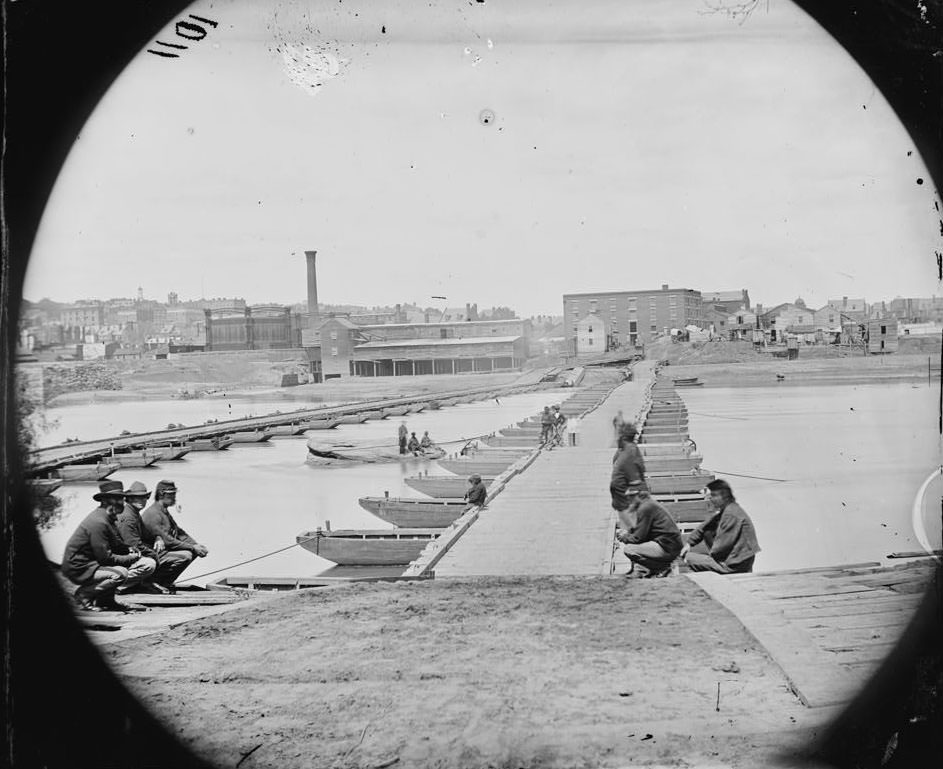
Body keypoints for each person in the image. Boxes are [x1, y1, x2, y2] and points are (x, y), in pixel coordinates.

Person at [60, 480, 156, 611]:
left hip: (92, 563)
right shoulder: (99, 522)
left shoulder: (109, 517)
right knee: (120, 573)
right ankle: (84, 594)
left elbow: (116, 543)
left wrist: (128, 549)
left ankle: (106, 600)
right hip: (79, 567)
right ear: (105, 501)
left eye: (121, 498)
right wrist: (131, 558)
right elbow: (105, 558)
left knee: (131, 565)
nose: (121, 502)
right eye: (116, 499)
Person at [116, 481, 192, 593]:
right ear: (129, 499)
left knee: (184, 555)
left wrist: (157, 537)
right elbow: (133, 544)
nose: (142, 501)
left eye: (144, 498)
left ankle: (149, 582)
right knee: (151, 564)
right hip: (125, 558)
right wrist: (153, 554)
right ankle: (120, 585)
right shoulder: (128, 517)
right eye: (137, 498)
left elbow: (146, 534)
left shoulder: (134, 513)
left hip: (134, 554)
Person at [681, 479, 761, 574]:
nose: (710, 498)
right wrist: (689, 543)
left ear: (725, 497)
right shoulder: (729, 508)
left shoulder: (731, 514)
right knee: (708, 530)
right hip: (735, 559)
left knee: (688, 559)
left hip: (735, 566)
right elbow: (705, 526)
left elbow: (721, 547)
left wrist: (707, 559)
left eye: (714, 495)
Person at [141, 480, 209, 590]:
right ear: (161, 494)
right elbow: (167, 540)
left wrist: (196, 545)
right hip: (153, 555)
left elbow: (179, 532)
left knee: (193, 551)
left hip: (164, 553)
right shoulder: (153, 514)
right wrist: (192, 547)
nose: (174, 497)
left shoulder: (163, 511)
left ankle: (165, 582)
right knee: (186, 555)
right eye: (171, 494)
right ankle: (154, 581)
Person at [616, 490, 683, 578]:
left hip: (668, 548)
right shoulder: (648, 504)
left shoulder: (645, 508)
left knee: (629, 549)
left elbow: (637, 538)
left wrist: (624, 537)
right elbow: (640, 530)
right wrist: (628, 533)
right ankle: (640, 570)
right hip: (668, 545)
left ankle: (662, 568)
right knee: (634, 543)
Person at [610, 423, 647, 509]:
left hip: (621, 488)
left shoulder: (622, 450)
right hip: (629, 488)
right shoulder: (632, 449)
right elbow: (640, 468)